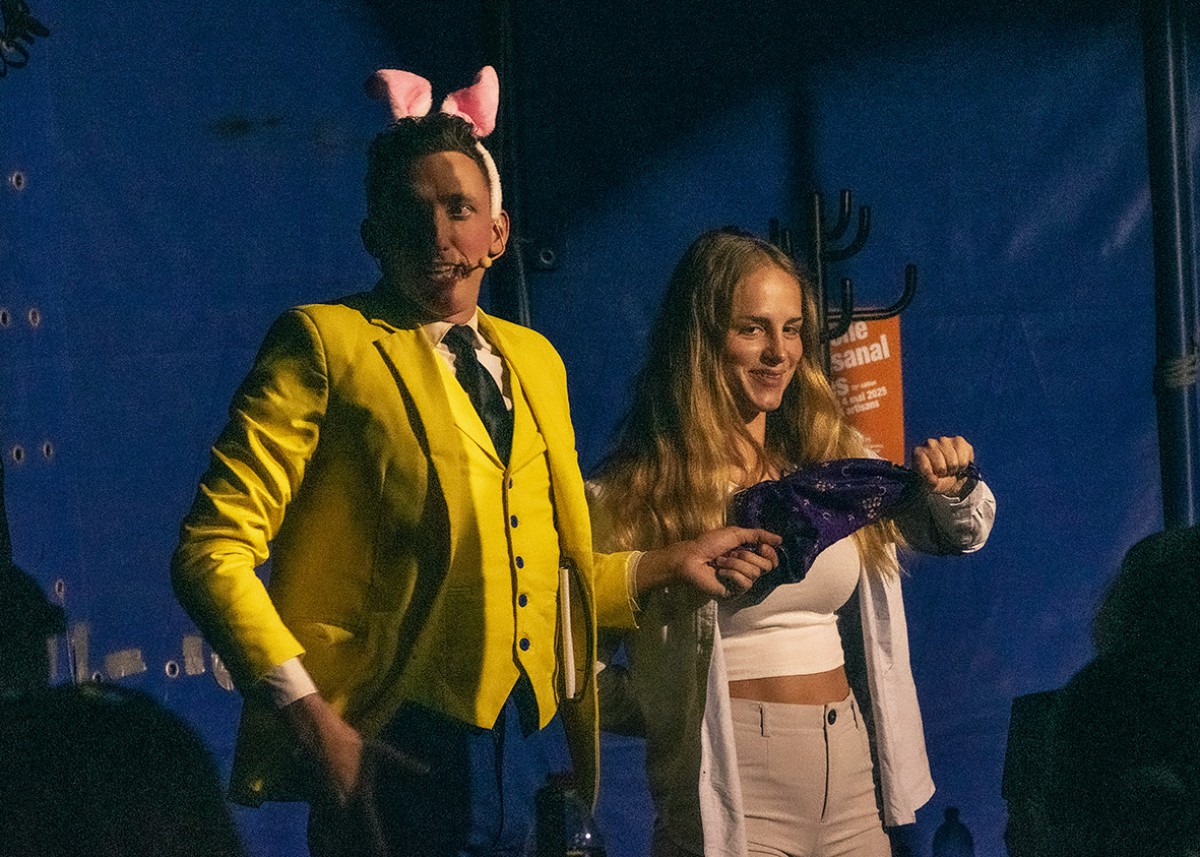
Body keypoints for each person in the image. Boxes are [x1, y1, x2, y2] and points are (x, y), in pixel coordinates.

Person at [170, 71, 778, 857]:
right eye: (410, 211)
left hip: (523, 745)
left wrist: (665, 563)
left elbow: (534, 573)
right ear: (373, 235)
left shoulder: (535, 359)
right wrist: (314, 721)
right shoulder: (325, 343)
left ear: (497, 231)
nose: (437, 235)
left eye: (459, 209)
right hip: (391, 737)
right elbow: (210, 551)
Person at [589, 228, 996, 857]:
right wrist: (672, 707)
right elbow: (570, 663)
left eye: (792, 329)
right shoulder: (638, 492)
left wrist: (953, 485)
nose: (779, 352)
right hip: (737, 783)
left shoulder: (831, 460)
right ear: (700, 340)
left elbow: (955, 532)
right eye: (752, 329)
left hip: (851, 770)